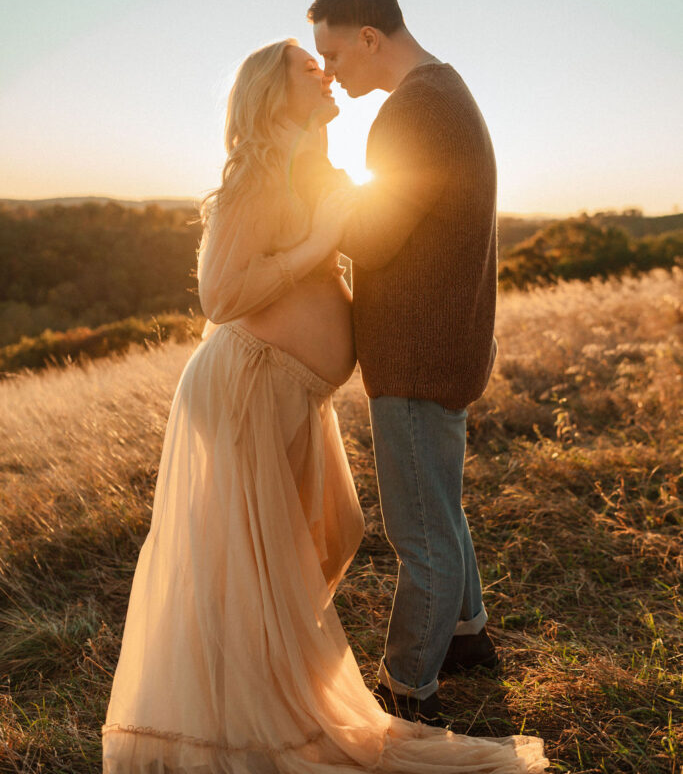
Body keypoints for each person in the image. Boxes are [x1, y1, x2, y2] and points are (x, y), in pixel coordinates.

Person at [102, 38, 547, 772]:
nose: (326, 72)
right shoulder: (256, 172)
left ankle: (266, 676)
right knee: (247, 559)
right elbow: (220, 295)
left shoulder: (316, 164)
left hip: (295, 393)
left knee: (331, 534)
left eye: (326, 59)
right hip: (250, 383)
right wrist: (317, 238)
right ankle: (235, 711)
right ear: (274, 95)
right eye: (310, 69)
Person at [306, 0, 500, 724]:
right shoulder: (442, 92)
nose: (330, 73)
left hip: (419, 351)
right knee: (439, 506)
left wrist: (319, 187)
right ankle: (467, 633)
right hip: (444, 340)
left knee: (418, 533)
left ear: (368, 37)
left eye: (334, 55)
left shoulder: (410, 113)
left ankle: (407, 690)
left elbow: (374, 236)